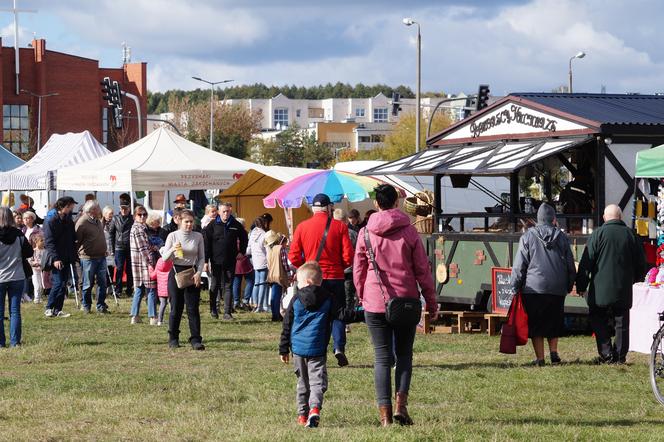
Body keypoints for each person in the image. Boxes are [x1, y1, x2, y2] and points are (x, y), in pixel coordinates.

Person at [353, 184, 438, 426]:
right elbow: (423, 270)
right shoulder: (410, 232)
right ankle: (401, 406)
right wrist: (431, 302)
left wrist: (362, 295)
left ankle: (385, 415)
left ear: (376, 204)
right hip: (406, 301)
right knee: (404, 356)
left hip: (374, 301)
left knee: (381, 358)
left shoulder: (365, 233)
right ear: (397, 204)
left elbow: (358, 270)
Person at [279, 261, 363, 428]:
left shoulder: (296, 299)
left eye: (299, 282)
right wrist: (365, 314)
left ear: (308, 282)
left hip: (298, 350)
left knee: (302, 382)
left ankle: (302, 415)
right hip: (317, 348)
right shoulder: (328, 298)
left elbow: (287, 324)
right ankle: (314, 409)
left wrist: (283, 348)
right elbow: (344, 315)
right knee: (317, 382)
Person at [289, 193, 354, 367]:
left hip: (311, 278)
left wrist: (305, 268)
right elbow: (348, 256)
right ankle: (339, 347)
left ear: (314, 208)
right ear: (328, 207)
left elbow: (293, 256)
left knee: (316, 314)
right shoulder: (340, 227)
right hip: (335, 276)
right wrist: (339, 265)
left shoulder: (302, 227)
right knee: (338, 313)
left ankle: (318, 350)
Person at [576, 204, 646, 364]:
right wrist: (635, 279)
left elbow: (587, 262)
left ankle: (606, 353)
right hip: (623, 288)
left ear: (604, 218)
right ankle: (620, 356)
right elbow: (641, 262)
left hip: (600, 289)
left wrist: (581, 285)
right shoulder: (630, 235)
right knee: (622, 321)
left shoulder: (598, 234)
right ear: (620, 217)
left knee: (598, 317)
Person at [510, 203, 576, 366]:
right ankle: (554, 353)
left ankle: (540, 358)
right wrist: (568, 285)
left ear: (537, 220)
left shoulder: (527, 237)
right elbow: (570, 265)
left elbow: (519, 265)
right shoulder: (562, 238)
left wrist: (515, 285)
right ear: (553, 219)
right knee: (554, 321)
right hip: (557, 287)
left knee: (536, 325)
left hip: (534, 287)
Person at [163, 209, 206, 350]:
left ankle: (195, 339)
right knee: (176, 307)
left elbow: (201, 258)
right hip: (176, 272)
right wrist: (172, 250)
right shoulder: (172, 236)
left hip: (192, 272)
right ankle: (173, 337)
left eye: (191, 222)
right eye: (186, 221)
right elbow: (164, 258)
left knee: (193, 308)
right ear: (179, 221)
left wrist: (199, 272)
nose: (189, 224)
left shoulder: (198, 236)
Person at [203, 201, 248, 320]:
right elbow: (206, 243)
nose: (226, 214)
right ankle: (213, 309)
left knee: (228, 285)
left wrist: (241, 252)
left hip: (230, 260)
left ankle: (227, 312)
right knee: (215, 285)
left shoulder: (235, 224)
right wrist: (205, 261)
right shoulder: (212, 225)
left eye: (228, 211)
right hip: (215, 260)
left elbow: (244, 237)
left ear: (230, 211)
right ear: (218, 212)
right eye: (223, 211)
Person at [0, 206, 33, 347]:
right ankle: (15, 342)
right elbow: (29, 253)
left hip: (0, 277)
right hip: (17, 276)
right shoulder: (19, 234)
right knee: (15, 311)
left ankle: (1, 343)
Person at [42, 196, 77, 318]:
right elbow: (49, 242)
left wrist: (73, 254)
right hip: (56, 257)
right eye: (70, 206)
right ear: (63, 207)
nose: (72, 208)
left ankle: (58, 309)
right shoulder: (51, 220)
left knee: (63, 284)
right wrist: (56, 259)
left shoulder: (68, 220)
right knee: (58, 283)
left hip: (67, 256)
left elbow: (72, 238)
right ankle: (48, 307)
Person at [75, 200, 109, 314]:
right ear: (92, 210)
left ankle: (101, 305)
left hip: (101, 256)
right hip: (88, 258)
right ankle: (86, 305)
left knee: (102, 283)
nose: (100, 209)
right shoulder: (82, 222)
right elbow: (77, 240)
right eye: (98, 208)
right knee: (87, 283)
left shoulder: (97, 221)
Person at [129, 206, 157, 325]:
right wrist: (151, 262)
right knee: (151, 289)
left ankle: (135, 316)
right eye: (139, 215)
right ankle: (153, 317)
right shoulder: (139, 229)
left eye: (144, 214)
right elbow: (143, 249)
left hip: (139, 263)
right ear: (135, 216)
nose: (142, 217)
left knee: (139, 289)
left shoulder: (140, 227)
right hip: (143, 264)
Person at [266, 230, 293, 322]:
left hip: (271, 275)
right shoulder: (280, 248)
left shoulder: (270, 249)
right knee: (277, 297)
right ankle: (276, 316)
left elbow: (268, 264)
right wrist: (289, 274)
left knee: (274, 297)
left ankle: (275, 314)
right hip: (279, 275)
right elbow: (285, 263)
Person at [109, 203, 134, 297]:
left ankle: (129, 289)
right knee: (119, 268)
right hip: (119, 247)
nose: (123, 211)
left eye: (125, 209)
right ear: (120, 209)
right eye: (122, 209)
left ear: (129, 209)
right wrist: (112, 248)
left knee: (129, 269)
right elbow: (111, 233)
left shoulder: (132, 218)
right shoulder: (115, 218)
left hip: (130, 246)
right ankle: (118, 289)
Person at [247, 216, 269, 312]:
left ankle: (255, 304)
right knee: (262, 284)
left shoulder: (252, 234)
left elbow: (249, 249)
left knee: (256, 283)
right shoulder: (264, 234)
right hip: (263, 260)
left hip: (255, 260)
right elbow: (267, 249)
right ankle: (260, 306)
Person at [232, 217, 254, 310]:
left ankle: (236, 301)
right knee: (250, 280)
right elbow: (247, 248)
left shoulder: (232, 233)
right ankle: (245, 301)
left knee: (236, 281)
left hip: (235, 260)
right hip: (244, 259)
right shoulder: (244, 234)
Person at [150, 250, 173, 327]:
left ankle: (160, 321)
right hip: (170, 288)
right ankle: (172, 320)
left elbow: (153, 276)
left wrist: (150, 269)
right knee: (171, 304)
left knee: (162, 304)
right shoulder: (170, 262)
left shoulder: (159, 263)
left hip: (161, 289)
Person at [29, 235, 51, 304]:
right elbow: (30, 260)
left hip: (43, 270)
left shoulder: (45, 251)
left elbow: (47, 260)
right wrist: (33, 263)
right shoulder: (33, 251)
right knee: (36, 284)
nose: (43, 242)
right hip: (35, 271)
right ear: (36, 242)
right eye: (41, 240)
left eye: (43, 240)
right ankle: (36, 298)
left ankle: (40, 297)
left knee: (41, 285)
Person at [102, 205, 115, 292]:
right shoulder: (100, 224)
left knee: (111, 268)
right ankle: (105, 285)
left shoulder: (113, 223)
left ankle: (110, 287)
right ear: (104, 214)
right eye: (109, 214)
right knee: (104, 269)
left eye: (112, 214)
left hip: (111, 249)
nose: (110, 216)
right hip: (104, 249)